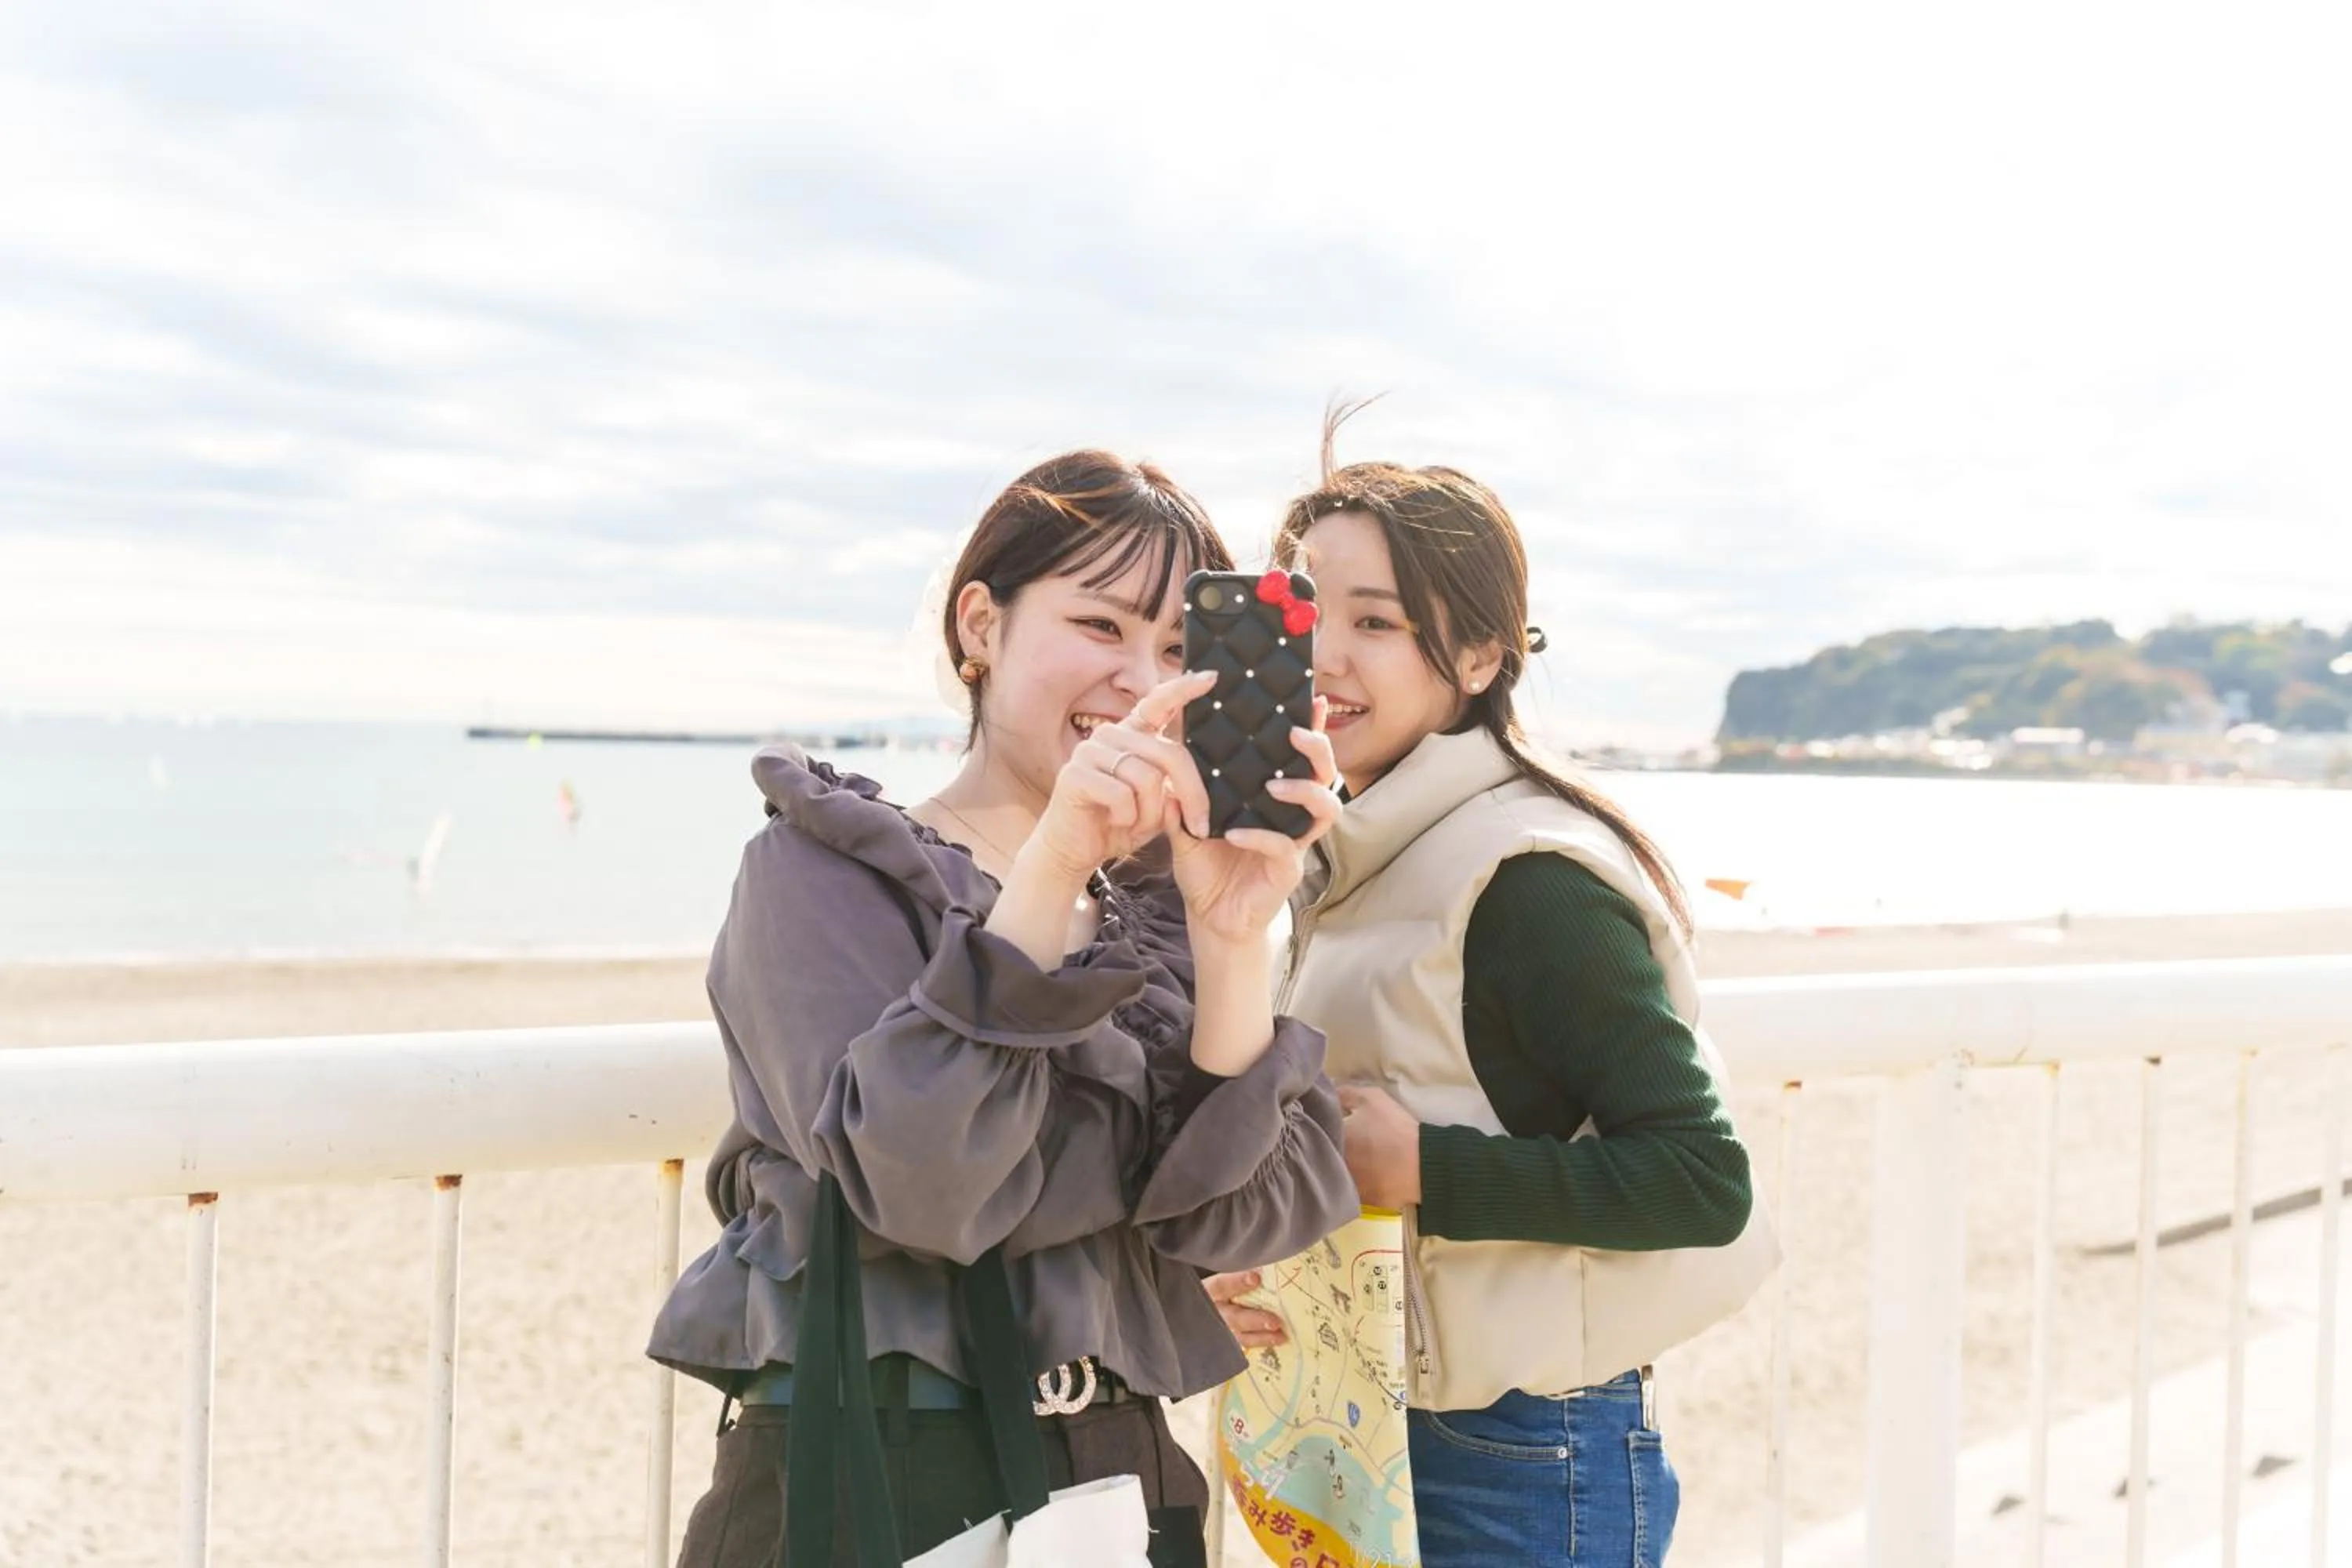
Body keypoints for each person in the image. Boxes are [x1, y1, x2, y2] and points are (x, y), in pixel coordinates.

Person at [649, 450, 1359, 1566]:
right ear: (980, 625)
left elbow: (1246, 1217)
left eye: (1179, 648)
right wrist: (1056, 857)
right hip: (883, 1467)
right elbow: (916, 1185)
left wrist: (1233, 940)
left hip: (1115, 1481)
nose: (1140, 677)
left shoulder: (1156, 911)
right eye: (1101, 625)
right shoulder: (826, 874)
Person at [1208, 420, 1777, 1567]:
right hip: (1370, 1424)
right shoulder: (1344, 851)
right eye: (1309, 617)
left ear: (1478, 658)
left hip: (1521, 1453)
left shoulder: (1524, 878)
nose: (1326, 660)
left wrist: (1424, 1169)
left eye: (1377, 622)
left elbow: (1701, 1182)